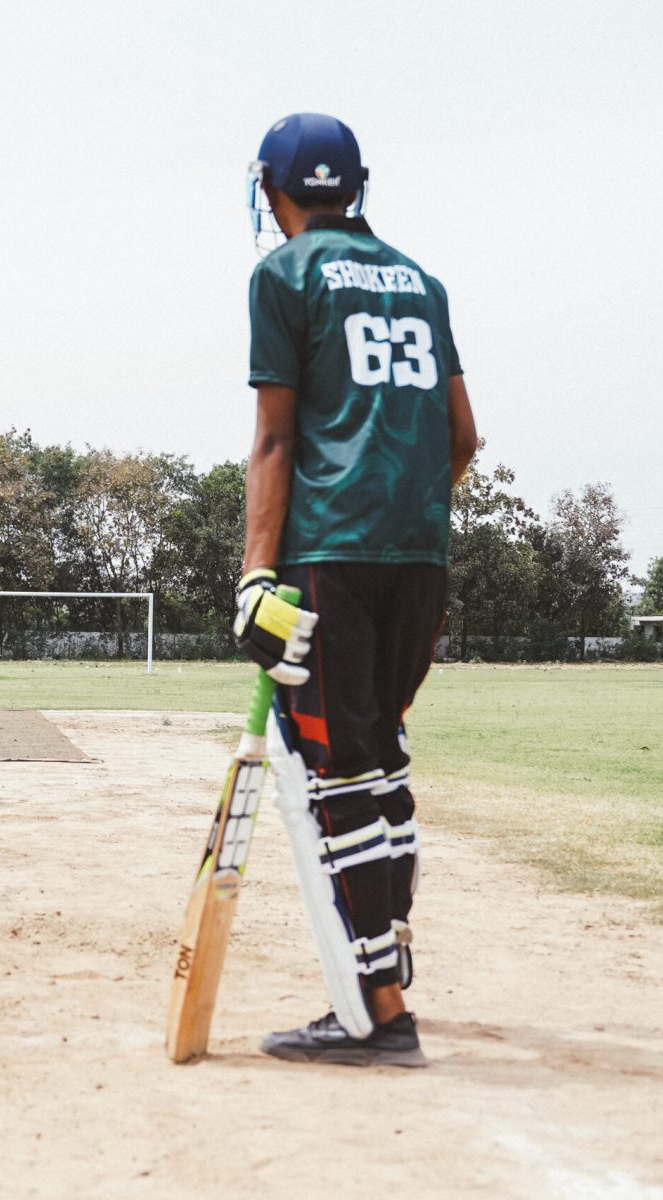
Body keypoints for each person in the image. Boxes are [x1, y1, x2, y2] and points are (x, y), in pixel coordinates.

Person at [232, 113, 477, 1067]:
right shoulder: (423, 281)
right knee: (384, 763)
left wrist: (257, 573)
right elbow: (462, 436)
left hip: (328, 555)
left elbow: (275, 439)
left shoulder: (284, 275)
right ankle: (392, 961)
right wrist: (404, 505)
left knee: (335, 777)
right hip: (420, 557)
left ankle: (378, 1013)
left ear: (273, 190)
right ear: (357, 185)